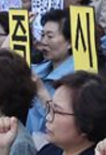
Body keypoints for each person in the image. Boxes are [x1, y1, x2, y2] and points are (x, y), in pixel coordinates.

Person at [28, 9, 76, 137]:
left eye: (50, 36)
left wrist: (41, 91)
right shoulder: (37, 70)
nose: (44, 41)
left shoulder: (77, 78)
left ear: (70, 42)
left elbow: (57, 119)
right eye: (42, 35)